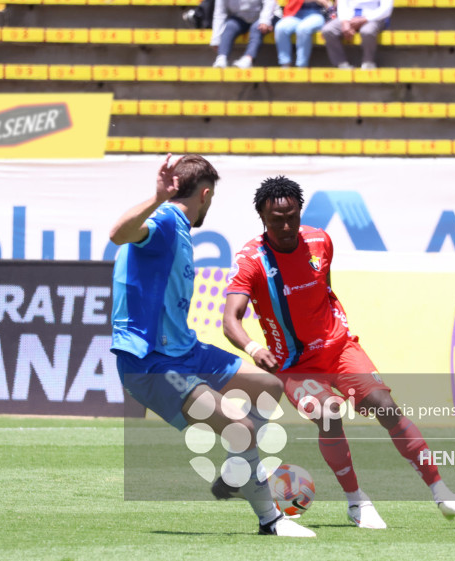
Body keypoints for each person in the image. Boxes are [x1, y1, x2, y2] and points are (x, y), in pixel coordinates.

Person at [221, 176, 455, 529]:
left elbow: (323, 291)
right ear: (262, 219)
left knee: (385, 407)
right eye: (275, 219)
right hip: (296, 364)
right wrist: (253, 346)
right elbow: (230, 319)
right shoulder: (251, 260)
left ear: (299, 212)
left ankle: (441, 490)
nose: (285, 226)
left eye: (291, 216)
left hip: (339, 347)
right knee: (328, 414)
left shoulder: (320, 241)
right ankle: (357, 501)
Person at [109, 155, 315, 538]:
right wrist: (156, 199)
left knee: (270, 386)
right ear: (205, 194)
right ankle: (270, 520)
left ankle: (238, 469)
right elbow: (119, 235)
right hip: (153, 362)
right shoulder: (168, 220)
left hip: (185, 351)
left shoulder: (181, 230)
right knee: (240, 426)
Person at [321, 0, 392, 70]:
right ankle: (341, 64)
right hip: (350, 17)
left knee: (367, 31)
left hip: (373, 17)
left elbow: (386, 9)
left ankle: (368, 63)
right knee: (328, 30)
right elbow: (342, 3)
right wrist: (344, 22)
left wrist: (365, 19)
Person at [210, 0, 278, 69]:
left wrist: (265, 20)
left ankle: (248, 59)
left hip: (266, 15)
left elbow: (270, 3)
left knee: (256, 28)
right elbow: (219, 14)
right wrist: (216, 39)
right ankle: (221, 58)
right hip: (240, 18)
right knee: (230, 26)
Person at [274, 0, 333, 68]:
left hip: (317, 14)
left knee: (303, 29)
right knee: (280, 28)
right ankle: (285, 64)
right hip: (295, 14)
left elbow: (328, 4)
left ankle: (301, 66)